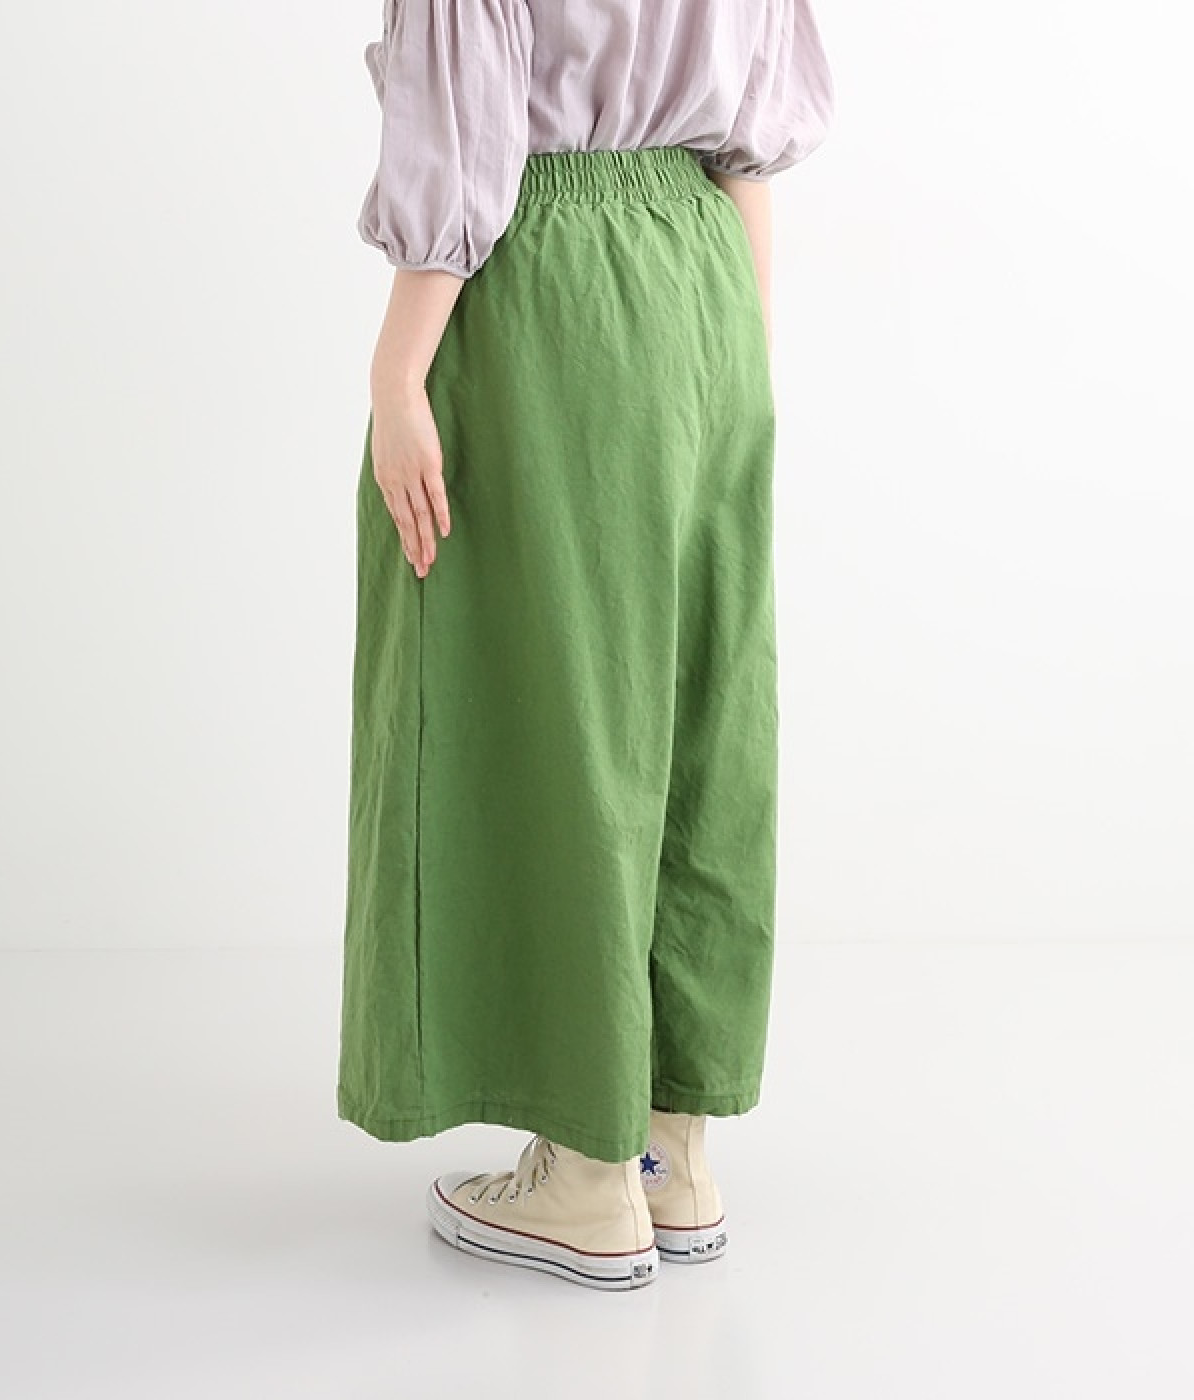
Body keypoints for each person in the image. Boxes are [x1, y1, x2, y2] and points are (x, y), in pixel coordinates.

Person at [336, 0, 835, 1291]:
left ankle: (587, 1174)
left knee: (557, 711)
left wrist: (398, 373)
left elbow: (467, 134)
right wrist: (738, 361)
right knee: (694, 708)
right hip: (711, 286)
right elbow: (750, 137)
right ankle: (674, 1149)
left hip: (553, 286)